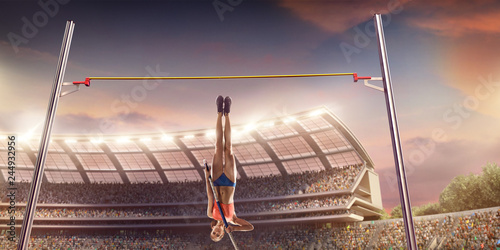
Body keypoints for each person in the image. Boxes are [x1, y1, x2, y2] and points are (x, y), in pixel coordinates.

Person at [205, 95, 254, 242]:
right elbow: (250, 227)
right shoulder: (232, 219)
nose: (217, 232)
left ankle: (219, 112)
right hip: (230, 182)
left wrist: (206, 176)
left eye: (214, 233)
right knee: (228, 148)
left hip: (216, 181)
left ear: (212, 228)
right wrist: (234, 228)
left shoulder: (210, 214)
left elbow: (210, 195)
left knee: (218, 146)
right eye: (219, 235)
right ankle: (228, 114)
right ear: (223, 234)